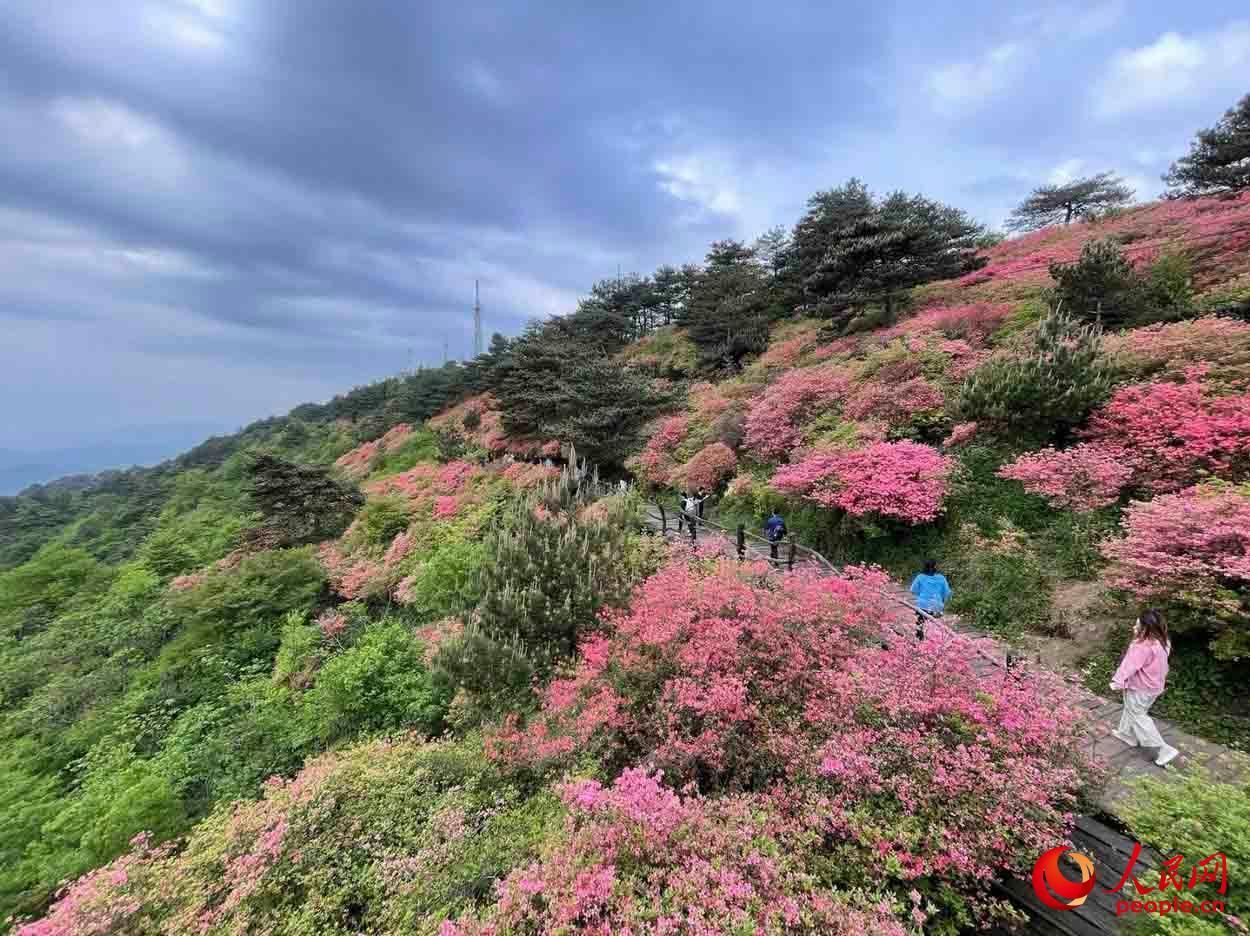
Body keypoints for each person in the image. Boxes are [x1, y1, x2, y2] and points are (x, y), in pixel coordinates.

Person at [1111, 609, 1178, 767]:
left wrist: (1118, 681)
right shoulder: (1163, 641)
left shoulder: (1141, 645)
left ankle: (1163, 750)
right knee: (1133, 710)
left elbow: (1129, 666)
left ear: (1146, 628)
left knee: (1138, 716)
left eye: (1137, 625)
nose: (1134, 627)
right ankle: (1126, 734)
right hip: (1154, 687)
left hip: (1140, 688)